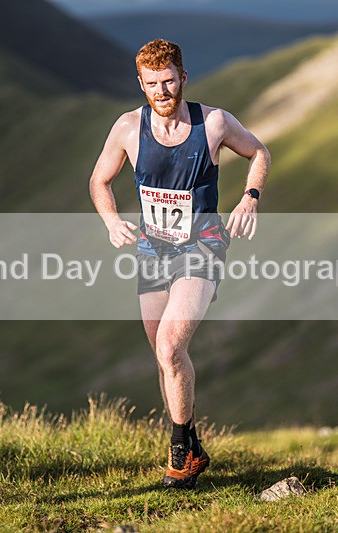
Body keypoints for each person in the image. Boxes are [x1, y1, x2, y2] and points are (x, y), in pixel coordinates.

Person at [89, 39, 270, 489]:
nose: (162, 91)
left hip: (202, 246)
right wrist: (110, 221)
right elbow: (100, 179)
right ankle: (192, 446)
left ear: (183, 77)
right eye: (152, 84)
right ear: (141, 83)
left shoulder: (214, 122)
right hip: (153, 251)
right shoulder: (128, 127)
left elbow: (259, 152)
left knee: (171, 346)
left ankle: (179, 453)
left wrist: (250, 197)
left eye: (169, 81)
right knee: (163, 355)